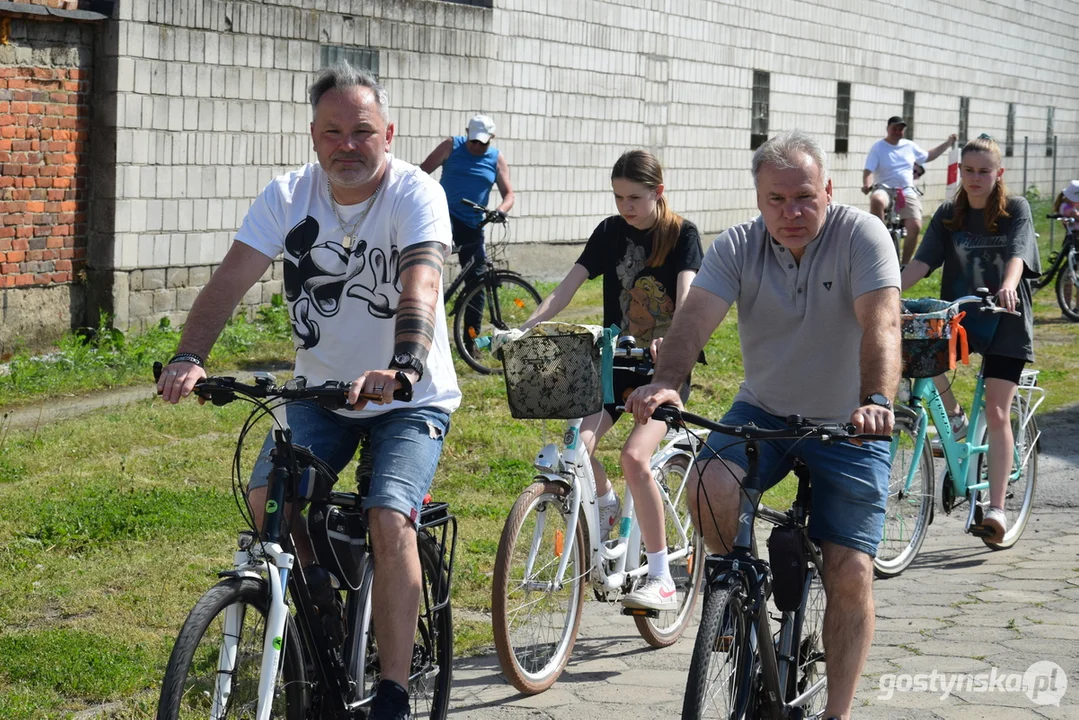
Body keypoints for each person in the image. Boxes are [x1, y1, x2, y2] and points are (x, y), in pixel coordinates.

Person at [157, 62, 461, 720]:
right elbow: (230, 279)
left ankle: (394, 691)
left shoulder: (414, 194)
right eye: (331, 132)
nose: (346, 145)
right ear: (313, 136)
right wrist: (189, 354)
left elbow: (421, 285)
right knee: (269, 496)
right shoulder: (288, 195)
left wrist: (405, 363)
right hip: (322, 393)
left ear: (389, 132)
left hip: (409, 397)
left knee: (388, 516)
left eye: (361, 131)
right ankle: (321, 622)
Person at [626, 130, 901, 720]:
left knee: (849, 572)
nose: (791, 212)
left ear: (828, 189)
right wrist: (668, 379)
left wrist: (876, 398)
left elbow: (882, 323)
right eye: (776, 199)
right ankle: (732, 591)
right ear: (757, 199)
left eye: (804, 196)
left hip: (850, 422)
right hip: (766, 408)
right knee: (708, 482)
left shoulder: (862, 236)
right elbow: (694, 317)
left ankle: (838, 713)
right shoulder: (738, 247)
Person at [520, 149, 703, 612]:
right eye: (619, 196)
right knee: (575, 449)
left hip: (663, 370)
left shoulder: (682, 235)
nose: (626, 207)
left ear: (658, 193)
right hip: (614, 364)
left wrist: (673, 343)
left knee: (634, 458)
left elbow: (686, 299)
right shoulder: (608, 232)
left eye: (635, 198)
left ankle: (663, 577)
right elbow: (568, 286)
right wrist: (524, 328)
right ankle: (605, 507)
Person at [900, 134, 1041, 543]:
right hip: (958, 318)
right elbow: (922, 263)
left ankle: (996, 508)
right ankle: (957, 418)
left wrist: (1009, 285)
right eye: (969, 170)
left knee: (997, 410)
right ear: (959, 172)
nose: (976, 178)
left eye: (984, 171)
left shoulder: (1015, 209)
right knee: (917, 361)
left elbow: (1017, 254)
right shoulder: (949, 214)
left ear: (999, 173)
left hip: (1004, 317)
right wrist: (886, 291)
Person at [420, 114, 515, 349]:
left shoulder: (495, 159)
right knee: (430, 267)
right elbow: (421, 174)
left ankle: (470, 340)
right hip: (444, 217)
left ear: (491, 138)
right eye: (474, 141)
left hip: (473, 224)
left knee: (477, 282)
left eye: (483, 142)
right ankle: (422, 321)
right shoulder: (451, 146)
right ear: (467, 133)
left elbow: (509, 195)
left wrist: (501, 210)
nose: (477, 146)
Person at [863, 116, 957, 265]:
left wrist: (947, 143)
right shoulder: (878, 147)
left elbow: (929, 155)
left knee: (915, 226)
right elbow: (868, 170)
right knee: (877, 200)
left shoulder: (909, 146)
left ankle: (904, 265)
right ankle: (878, 240)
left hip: (906, 191)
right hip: (884, 188)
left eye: (900, 129)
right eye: (894, 128)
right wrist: (867, 184)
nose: (897, 132)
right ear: (888, 129)